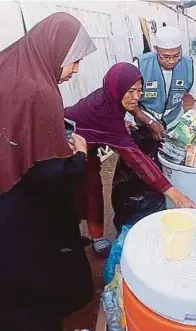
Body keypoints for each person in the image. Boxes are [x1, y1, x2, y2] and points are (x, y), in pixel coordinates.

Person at [0, 12, 96, 330]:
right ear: (54, 49)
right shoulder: (40, 92)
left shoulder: (10, 62)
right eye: (73, 61)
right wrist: (78, 158)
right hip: (20, 203)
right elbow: (47, 176)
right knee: (29, 275)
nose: (75, 70)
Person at [65, 63, 195, 253]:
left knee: (93, 188)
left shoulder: (110, 99)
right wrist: (174, 194)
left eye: (140, 91)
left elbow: (131, 108)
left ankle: (95, 236)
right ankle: (70, 239)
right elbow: (137, 160)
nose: (137, 97)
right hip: (66, 145)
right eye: (131, 91)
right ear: (116, 89)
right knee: (73, 193)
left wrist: (146, 121)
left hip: (88, 149)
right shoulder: (103, 111)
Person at [127, 25, 196, 138]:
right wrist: (149, 122)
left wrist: (193, 122)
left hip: (174, 124)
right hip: (143, 124)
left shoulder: (190, 67)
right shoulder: (140, 66)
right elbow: (127, 101)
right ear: (156, 50)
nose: (171, 61)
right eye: (165, 56)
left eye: (176, 56)